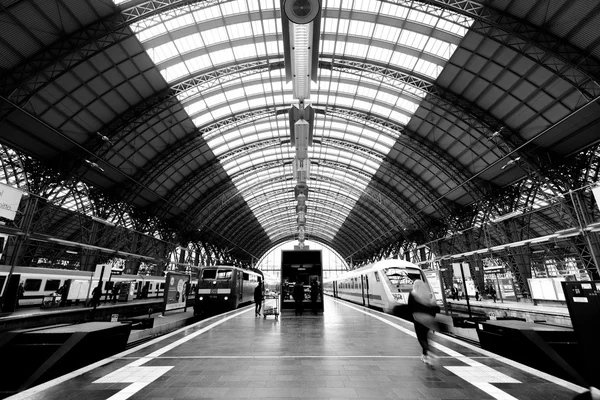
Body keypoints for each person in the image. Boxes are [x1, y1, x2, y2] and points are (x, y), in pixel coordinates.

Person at [408, 280, 440, 368]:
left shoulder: (412, 294)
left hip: (418, 319)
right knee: (426, 337)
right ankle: (425, 355)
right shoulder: (427, 294)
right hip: (429, 320)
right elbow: (433, 307)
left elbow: (410, 307)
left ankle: (428, 353)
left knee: (421, 338)